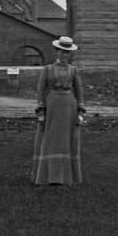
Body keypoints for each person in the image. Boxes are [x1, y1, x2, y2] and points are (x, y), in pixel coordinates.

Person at [31, 36, 86, 187]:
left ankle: (67, 176)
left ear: (70, 55)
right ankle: (47, 176)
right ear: (57, 52)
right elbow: (41, 90)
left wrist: (80, 111)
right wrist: (41, 111)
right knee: (50, 138)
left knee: (68, 139)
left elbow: (79, 90)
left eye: (67, 53)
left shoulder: (74, 70)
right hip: (52, 105)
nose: (64, 55)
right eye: (61, 52)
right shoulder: (47, 69)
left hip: (69, 106)